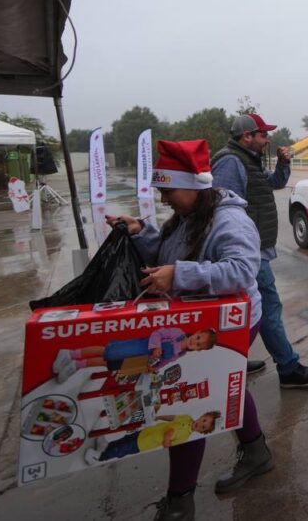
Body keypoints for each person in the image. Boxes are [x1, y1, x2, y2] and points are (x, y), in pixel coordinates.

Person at [106, 139, 273, 520]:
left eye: (168, 189)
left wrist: (180, 274)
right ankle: (258, 453)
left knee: (188, 403)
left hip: (232, 324)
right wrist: (140, 233)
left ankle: (180, 502)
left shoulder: (229, 220)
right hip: (197, 322)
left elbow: (243, 270)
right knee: (230, 385)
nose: (164, 198)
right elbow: (171, 256)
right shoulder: (187, 216)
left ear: (194, 186)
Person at [212, 113, 308, 386]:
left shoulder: (248, 160)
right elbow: (222, 209)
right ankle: (288, 368)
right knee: (268, 305)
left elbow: (273, 183)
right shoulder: (231, 162)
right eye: (263, 135)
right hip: (246, 252)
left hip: (253, 248)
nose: (267, 139)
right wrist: (239, 248)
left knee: (246, 306)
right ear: (246, 136)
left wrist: (285, 163)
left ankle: (233, 359)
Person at [53, 329, 216, 381]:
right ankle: (70, 354)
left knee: (109, 364)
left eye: (199, 345)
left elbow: (165, 362)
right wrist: (156, 347)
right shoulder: (177, 334)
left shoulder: (180, 354)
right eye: (198, 338)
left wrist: (154, 368)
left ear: (198, 350)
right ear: (197, 332)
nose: (195, 342)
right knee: (107, 351)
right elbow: (158, 333)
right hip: (138, 348)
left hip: (141, 361)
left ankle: (76, 365)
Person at [86, 412, 221, 464]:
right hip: (145, 433)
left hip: (144, 443)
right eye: (203, 420)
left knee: (121, 449)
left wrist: (167, 438)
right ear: (202, 415)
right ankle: (104, 447)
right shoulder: (187, 417)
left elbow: (168, 445)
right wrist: (159, 416)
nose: (200, 424)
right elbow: (172, 417)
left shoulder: (185, 436)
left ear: (201, 432)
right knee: (123, 440)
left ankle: (99, 457)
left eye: (203, 427)